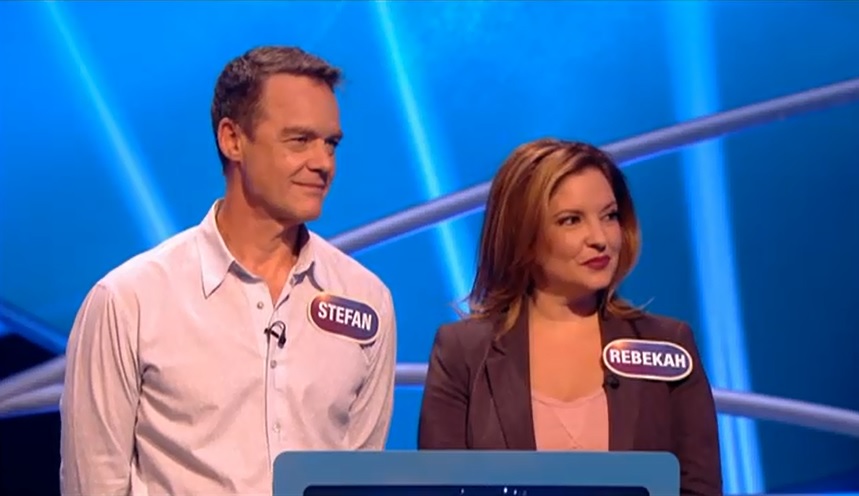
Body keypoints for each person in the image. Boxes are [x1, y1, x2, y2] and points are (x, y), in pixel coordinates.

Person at [60, 46, 398, 496]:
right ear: (232, 139)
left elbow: (357, 480)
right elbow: (93, 483)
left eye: (330, 143)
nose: (323, 163)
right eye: (299, 140)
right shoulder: (128, 301)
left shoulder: (366, 300)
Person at [417, 138, 722, 495]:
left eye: (609, 216)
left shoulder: (667, 346)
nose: (600, 238)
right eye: (571, 220)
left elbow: (699, 489)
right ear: (524, 235)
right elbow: (442, 490)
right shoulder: (463, 354)